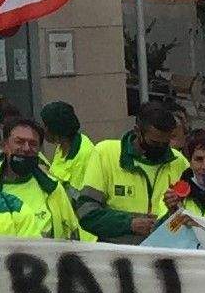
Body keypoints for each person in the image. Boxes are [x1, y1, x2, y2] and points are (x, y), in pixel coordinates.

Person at [72, 101, 189, 242]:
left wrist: (172, 214)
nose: (160, 148)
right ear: (137, 131)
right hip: (116, 252)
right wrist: (129, 224)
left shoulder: (179, 162)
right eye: (154, 143)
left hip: (163, 250)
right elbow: (86, 212)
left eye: (165, 143)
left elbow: (191, 217)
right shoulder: (105, 153)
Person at [0, 117, 84, 239]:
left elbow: (73, 233)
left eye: (33, 144)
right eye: (19, 142)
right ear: (4, 146)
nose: (26, 148)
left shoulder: (52, 188)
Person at [37, 100, 89, 191]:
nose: (43, 130)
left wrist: (46, 175)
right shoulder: (62, 145)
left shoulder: (83, 155)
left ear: (56, 131)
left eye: (45, 126)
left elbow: (75, 196)